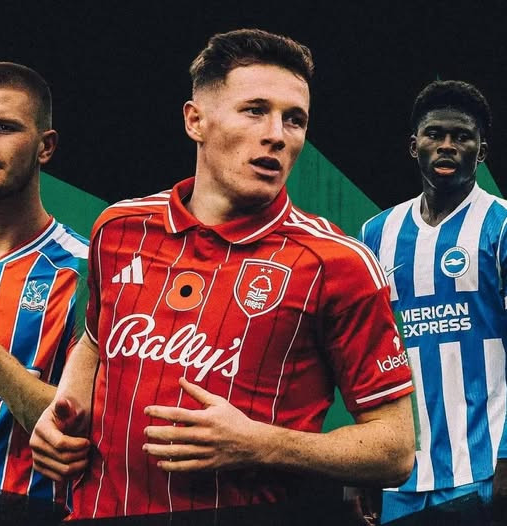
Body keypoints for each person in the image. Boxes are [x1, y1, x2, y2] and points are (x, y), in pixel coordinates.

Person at [30, 28, 415, 522]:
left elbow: (395, 450)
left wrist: (260, 444)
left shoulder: (337, 263)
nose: (277, 134)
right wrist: (61, 412)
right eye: (255, 110)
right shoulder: (118, 228)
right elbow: (96, 341)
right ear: (196, 120)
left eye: (294, 119)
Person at [359, 80, 507, 523]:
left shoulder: (500, 225)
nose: (447, 145)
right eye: (435, 134)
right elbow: (366, 356)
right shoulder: (376, 233)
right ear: (414, 146)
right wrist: (361, 464)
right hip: (402, 472)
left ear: (481, 152)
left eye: (461, 137)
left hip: (484, 467)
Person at [0, 62, 88, 511]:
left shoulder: (85, 270)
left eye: (3, 127)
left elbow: (78, 424)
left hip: (25, 507)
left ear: (46, 147)